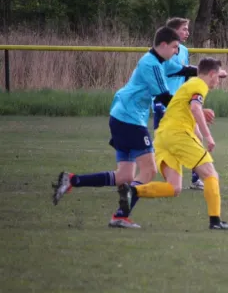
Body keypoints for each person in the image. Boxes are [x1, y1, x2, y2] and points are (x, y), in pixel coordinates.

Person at [52, 26, 198, 228]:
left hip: (122, 116)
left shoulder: (159, 61)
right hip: (129, 118)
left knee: (125, 176)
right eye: (174, 47)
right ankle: (121, 216)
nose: (176, 51)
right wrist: (191, 107)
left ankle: (72, 180)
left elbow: (181, 69)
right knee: (148, 170)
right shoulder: (152, 64)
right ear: (163, 45)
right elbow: (165, 97)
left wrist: (207, 73)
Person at [117, 57, 228, 230]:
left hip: (162, 137)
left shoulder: (189, 85)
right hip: (177, 135)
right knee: (211, 174)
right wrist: (208, 136)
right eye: (217, 77)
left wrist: (199, 138)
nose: (218, 81)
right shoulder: (199, 85)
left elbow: (189, 112)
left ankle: (133, 191)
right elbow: (196, 109)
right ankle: (216, 221)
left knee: (174, 187)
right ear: (212, 75)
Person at [154, 17, 206, 191]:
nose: (187, 32)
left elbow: (184, 77)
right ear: (174, 32)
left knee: (197, 137)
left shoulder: (183, 50)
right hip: (165, 103)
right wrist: (204, 72)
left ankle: (195, 179)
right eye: (184, 29)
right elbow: (176, 70)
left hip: (179, 103)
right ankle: (143, 179)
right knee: (162, 144)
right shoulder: (165, 52)